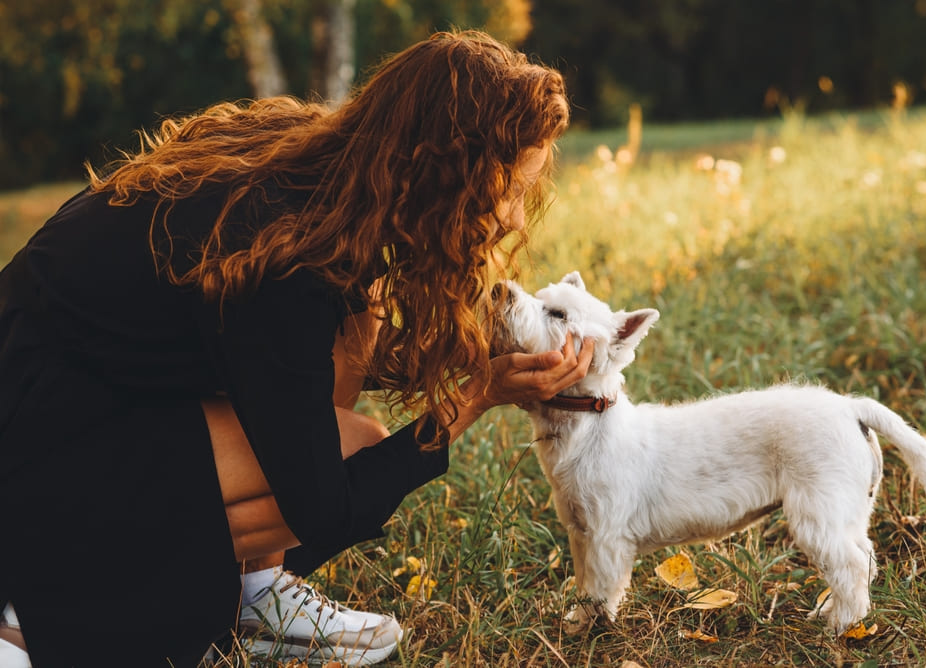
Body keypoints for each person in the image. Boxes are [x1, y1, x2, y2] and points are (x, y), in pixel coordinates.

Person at [0, 30, 594, 667]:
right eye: (506, 190)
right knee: (358, 448)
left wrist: (472, 349)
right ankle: (33, 603)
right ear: (444, 175)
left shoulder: (319, 174)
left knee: (358, 323)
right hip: (33, 438)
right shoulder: (284, 262)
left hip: (68, 383)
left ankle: (256, 591)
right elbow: (325, 511)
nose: (514, 219)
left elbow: (301, 362)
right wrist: (475, 398)